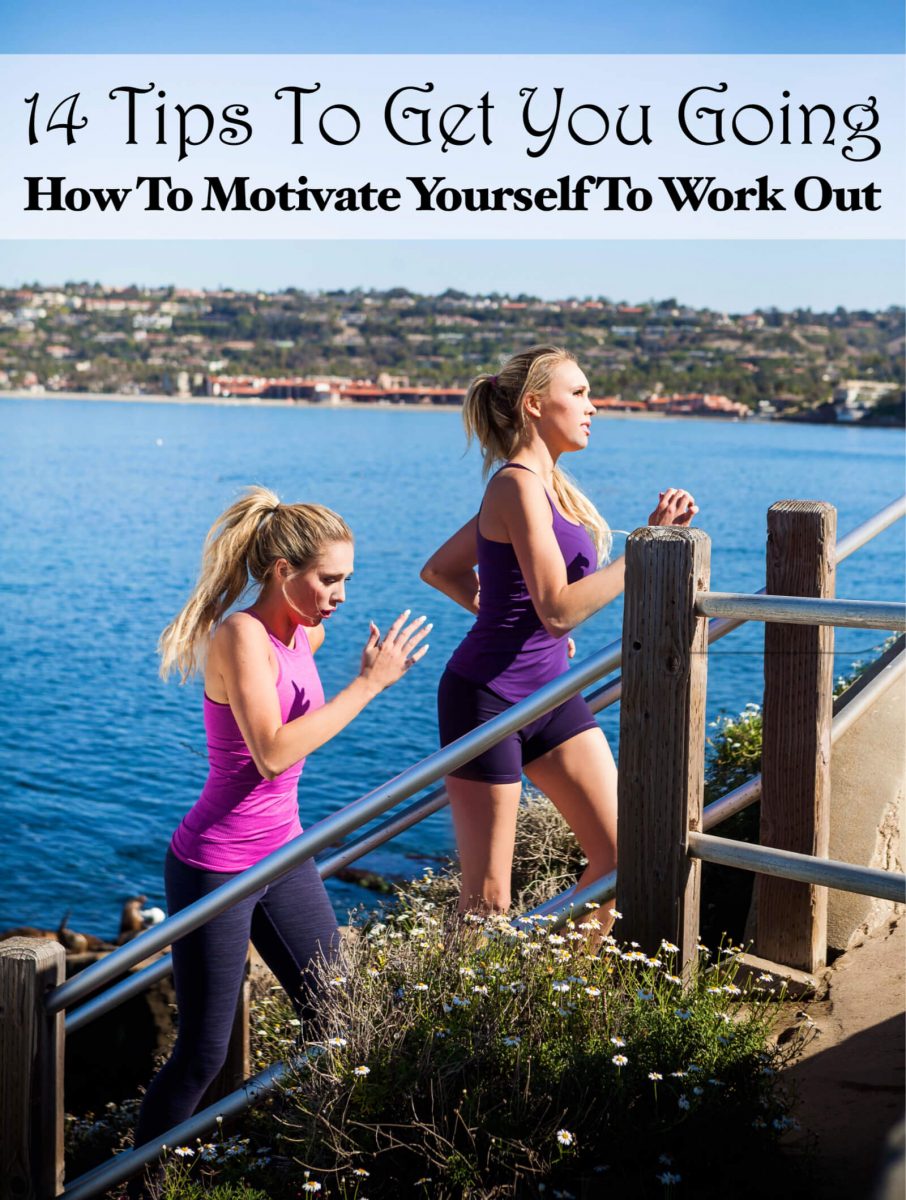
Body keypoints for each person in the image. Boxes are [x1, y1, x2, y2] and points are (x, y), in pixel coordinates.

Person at [133, 486, 430, 1151]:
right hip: (217, 865)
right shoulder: (241, 635)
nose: (341, 594)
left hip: (284, 854)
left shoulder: (306, 633)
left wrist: (357, 677)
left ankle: (300, 1152)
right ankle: (138, 1186)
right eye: (329, 578)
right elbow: (269, 753)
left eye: (347, 578)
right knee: (202, 1056)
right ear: (281, 571)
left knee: (334, 1016)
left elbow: (294, 709)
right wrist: (369, 685)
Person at [421, 346, 697, 922]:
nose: (593, 407)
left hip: (550, 695)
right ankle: (468, 1013)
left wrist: (513, 620)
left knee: (624, 856)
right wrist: (646, 548)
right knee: (487, 898)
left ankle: (565, 993)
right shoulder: (515, 486)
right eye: (578, 394)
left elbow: (444, 571)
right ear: (533, 404)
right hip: (487, 700)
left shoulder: (552, 487)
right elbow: (559, 612)